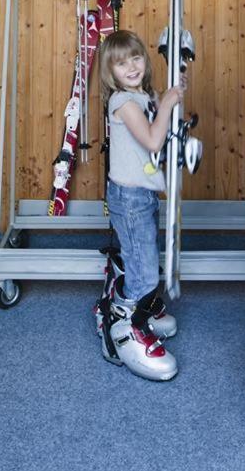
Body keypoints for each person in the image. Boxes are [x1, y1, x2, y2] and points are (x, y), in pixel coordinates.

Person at [92, 29, 184, 382]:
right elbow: (152, 138)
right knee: (144, 270)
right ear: (110, 72)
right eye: (120, 63)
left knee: (145, 258)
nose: (130, 66)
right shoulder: (123, 102)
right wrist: (168, 104)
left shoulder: (141, 96)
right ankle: (124, 321)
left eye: (136, 58)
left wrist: (168, 98)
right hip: (130, 199)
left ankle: (140, 302)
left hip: (142, 195)